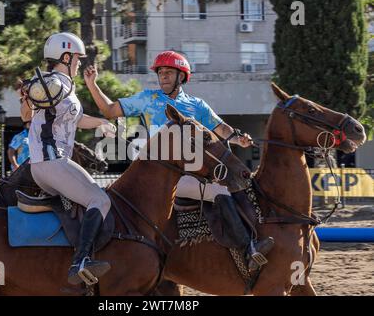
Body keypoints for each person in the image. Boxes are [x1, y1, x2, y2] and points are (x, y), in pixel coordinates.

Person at [84, 50, 274, 271]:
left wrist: (238, 139)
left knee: (230, 184)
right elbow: (109, 110)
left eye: (168, 72)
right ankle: (248, 249)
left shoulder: (197, 105)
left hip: (191, 172)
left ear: (181, 76)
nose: (163, 76)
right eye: (160, 72)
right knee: (219, 191)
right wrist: (92, 84)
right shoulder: (147, 98)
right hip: (154, 176)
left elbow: (220, 128)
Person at [20, 32, 117, 285]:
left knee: (96, 195)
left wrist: (102, 122)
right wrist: (30, 94)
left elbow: (76, 119)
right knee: (100, 199)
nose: (79, 63)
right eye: (76, 58)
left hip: (50, 163)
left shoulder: (64, 85)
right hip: (51, 162)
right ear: (65, 56)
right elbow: (32, 103)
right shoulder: (55, 82)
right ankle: (80, 262)